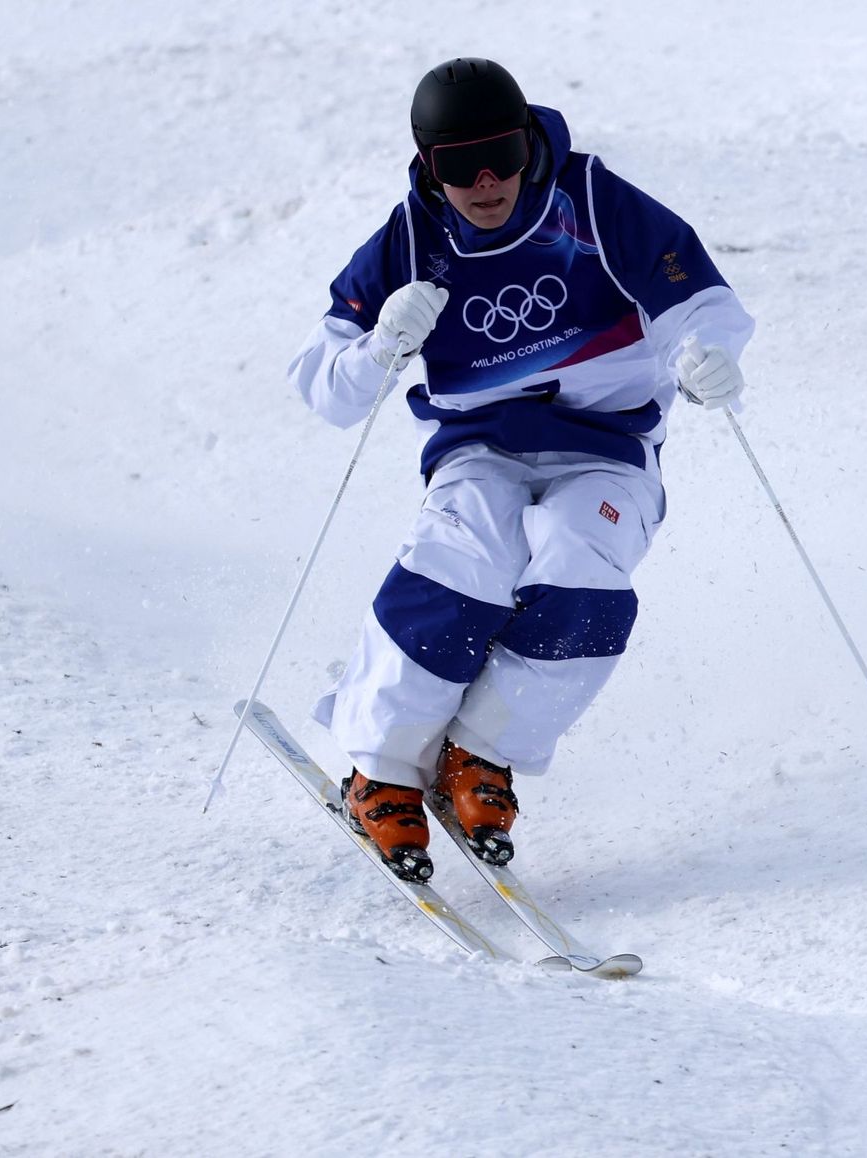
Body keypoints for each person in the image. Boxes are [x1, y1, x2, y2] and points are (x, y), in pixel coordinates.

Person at [288, 57, 754, 882]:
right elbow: (326, 390)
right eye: (459, 166)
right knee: (463, 564)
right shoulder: (411, 238)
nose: (487, 181)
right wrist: (382, 340)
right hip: (480, 449)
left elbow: (705, 304)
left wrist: (708, 356)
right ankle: (382, 768)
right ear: (428, 166)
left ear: (529, 141)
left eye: (501, 154)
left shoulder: (594, 205)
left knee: (584, 569)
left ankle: (481, 753)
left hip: (606, 447)